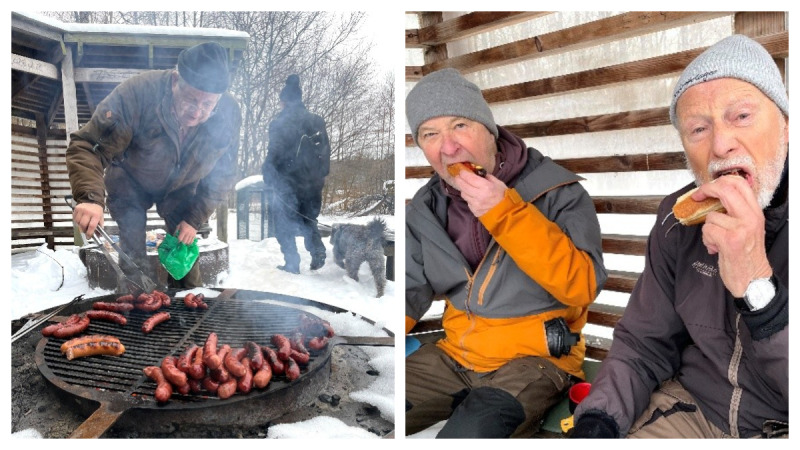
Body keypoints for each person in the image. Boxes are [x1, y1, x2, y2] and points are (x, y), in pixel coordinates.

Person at [570, 34, 788, 439]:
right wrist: (596, 423)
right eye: (698, 129)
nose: (722, 144)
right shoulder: (678, 221)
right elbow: (642, 342)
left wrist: (758, 288)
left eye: (741, 116)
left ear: (787, 124)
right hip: (692, 409)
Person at [404, 68, 608, 438]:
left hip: (535, 361)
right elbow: (409, 288)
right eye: (430, 134)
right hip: (455, 355)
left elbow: (583, 284)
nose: (448, 147)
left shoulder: (558, 190)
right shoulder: (426, 206)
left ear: (489, 129)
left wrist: (506, 213)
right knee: (373, 407)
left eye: (460, 125)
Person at [67, 42, 241, 288]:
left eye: (207, 105)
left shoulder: (229, 115)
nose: (196, 112)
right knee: (133, 249)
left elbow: (224, 176)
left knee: (184, 254)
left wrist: (194, 218)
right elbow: (87, 145)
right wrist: (90, 198)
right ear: (175, 81)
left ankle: (188, 307)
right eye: (191, 100)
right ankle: (136, 301)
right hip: (129, 180)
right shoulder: (138, 93)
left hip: (182, 186)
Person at [261, 74, 331, 274]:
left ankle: (292, 263)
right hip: (313, 182)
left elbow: (274, 152)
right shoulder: (317, 121)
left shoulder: (279, 123)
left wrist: (268, 173)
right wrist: (321, 176)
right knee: (309, 219)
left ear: (284, 101)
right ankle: (317, 250)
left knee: (283, 224)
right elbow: (326, 152)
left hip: (287, 182)